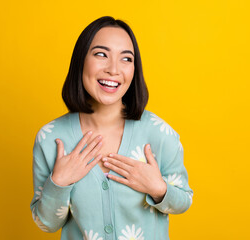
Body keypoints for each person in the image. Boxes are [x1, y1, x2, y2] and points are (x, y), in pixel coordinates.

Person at [30, 16, 193, 240]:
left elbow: (184, 201)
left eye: (126, 58)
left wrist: (159, 189)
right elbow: (46, 223)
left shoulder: (159, 134)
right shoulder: (50, 138)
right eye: (101, 54)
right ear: (81, 61)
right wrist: (58, 183)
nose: (114, 69)